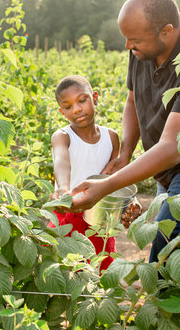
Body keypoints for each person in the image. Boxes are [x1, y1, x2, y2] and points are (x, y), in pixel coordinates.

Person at [68, 0, 180, 263]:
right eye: (126, 38)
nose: (127, 46)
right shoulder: (141, 47)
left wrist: (107, 185)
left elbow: (173, 147)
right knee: (175, 247)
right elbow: (133, 100)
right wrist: (125, 154)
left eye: (134, 40)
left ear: (166, 31)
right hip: (166, 170)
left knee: (170, 258)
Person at [49, 75, 120, 272]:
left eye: (82, 100)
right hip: (69, 213)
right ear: (62, 112)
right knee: (65, 271)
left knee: (100, 271)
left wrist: (130, 201)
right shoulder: (62, 137)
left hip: (100, 220)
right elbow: (61, 162)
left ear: (94, 98)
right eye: (68, 106)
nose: (77, 109)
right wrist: (64, 189)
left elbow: (116, 175)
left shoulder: (111, 137)